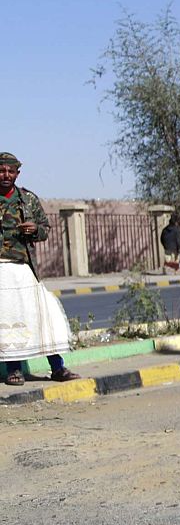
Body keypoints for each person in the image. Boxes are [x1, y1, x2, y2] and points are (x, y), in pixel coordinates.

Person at [0, 151, 80, 386]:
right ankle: (14, 370)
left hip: (24, 268)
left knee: (43, 316)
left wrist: (34, 229)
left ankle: (57, 367)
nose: (5, 175)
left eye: (10, 171)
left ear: (17, 173)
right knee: (8, 319)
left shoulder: (28, 200)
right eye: (1, 170)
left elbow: (45, 229)